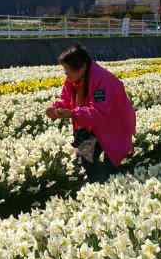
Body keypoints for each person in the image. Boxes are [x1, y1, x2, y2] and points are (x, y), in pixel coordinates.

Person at [46, 44, 136, 182]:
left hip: (115, 125)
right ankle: (99, 186)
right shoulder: (73, 78)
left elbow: (98, 112)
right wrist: (56, 109)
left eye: (67, 70)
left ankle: (115, 186)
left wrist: (72, 113)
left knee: (111, 166)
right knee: (86, 156)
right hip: (93, 125)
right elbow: (66, 98)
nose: (66, 74)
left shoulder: (102, 80)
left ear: (81, 67)